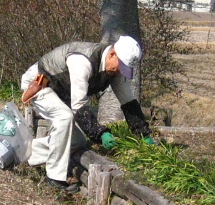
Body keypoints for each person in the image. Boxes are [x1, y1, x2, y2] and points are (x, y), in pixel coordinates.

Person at [20, 36, 150, 194]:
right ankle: (54, 178)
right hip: (40, 84)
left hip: (61, 91)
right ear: (112, 54)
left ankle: (23, 152)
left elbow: (128, 102)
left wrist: (143, 134)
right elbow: (79, 105)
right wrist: (100, 133)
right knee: (64, 117)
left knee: (76, 140)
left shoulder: (115, 71)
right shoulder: (82, 61)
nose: (120, 71)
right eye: (120, 66)